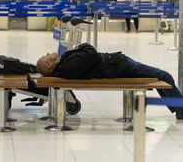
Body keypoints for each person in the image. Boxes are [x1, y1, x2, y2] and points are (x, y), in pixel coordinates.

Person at [36, 43, 183, 119]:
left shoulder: (64, 66)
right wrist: (83, 46)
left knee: (161, 77)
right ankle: (180, 110)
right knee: (165, 76)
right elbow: (91, 52)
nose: (47, 54)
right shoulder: (68, 67)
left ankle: (177, 109)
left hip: (118, 64)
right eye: (45, 56)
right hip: (121, 67)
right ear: (49, 64)